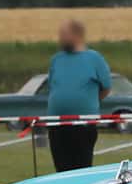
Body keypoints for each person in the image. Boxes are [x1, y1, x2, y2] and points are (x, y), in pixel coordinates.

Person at [46, 19, 112, 171]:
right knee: (61, 169)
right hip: (57, 125)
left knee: (81, 168)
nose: (60, 38)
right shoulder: (56, 60)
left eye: (64, 34)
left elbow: (106, 88)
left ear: (77, 35)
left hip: (83, 125)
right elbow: (53, 86)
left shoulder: (94, 59)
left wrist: (88, 103)